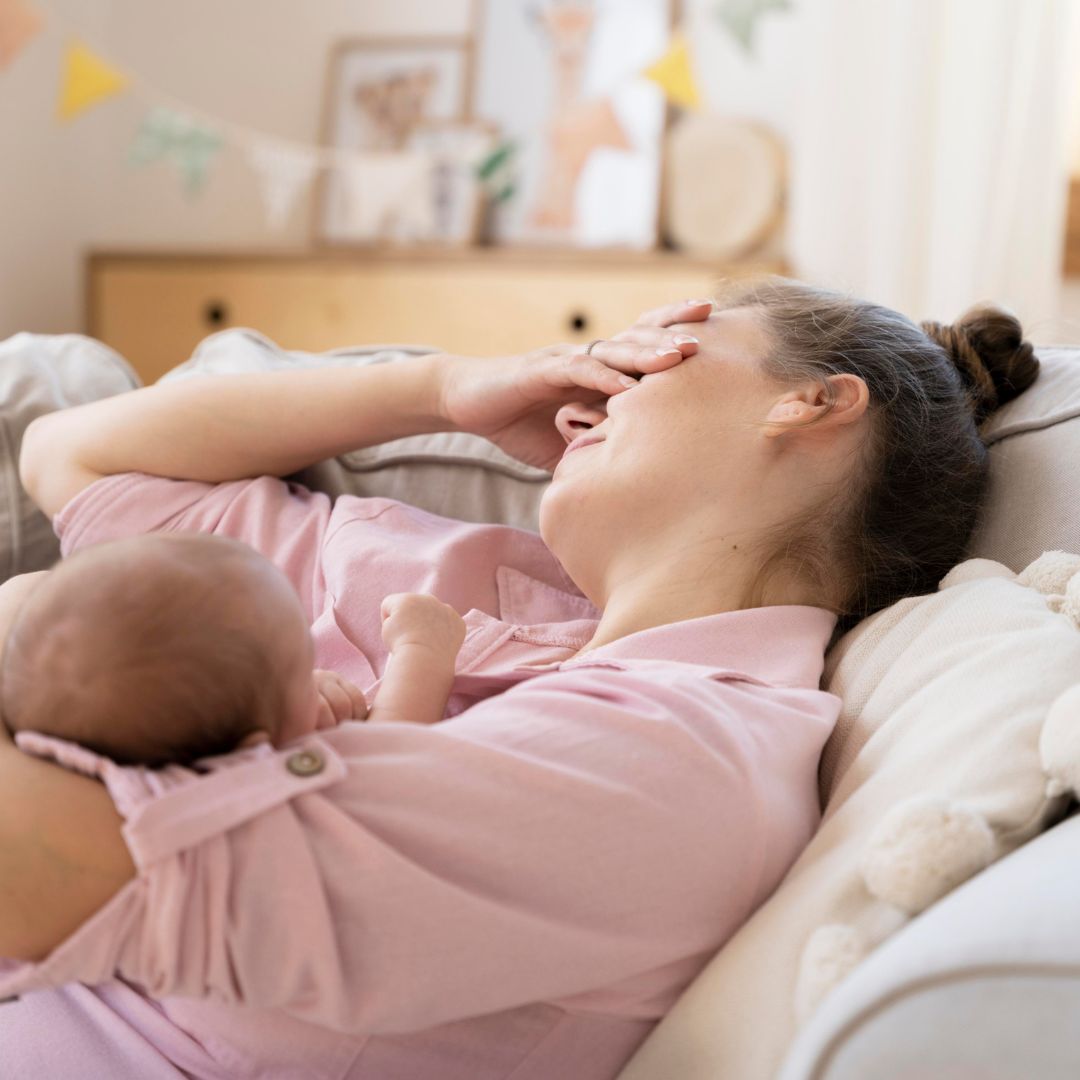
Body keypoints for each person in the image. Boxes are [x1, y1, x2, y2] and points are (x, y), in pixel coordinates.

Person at [0, 279, 1039, 1079]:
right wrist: (439, 388)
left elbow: (42, 871)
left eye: (649, 356)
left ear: (815, 403)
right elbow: (70, 459)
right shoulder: (465, 584)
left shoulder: (683, 762)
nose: (589, 393)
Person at [0, 536, 467, 766]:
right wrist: (422, 651)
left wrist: (288, 702)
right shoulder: (247, 802)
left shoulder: (125, 744)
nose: (318, 672)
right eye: (304, 665)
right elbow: (386, 762)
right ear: (252, 750)